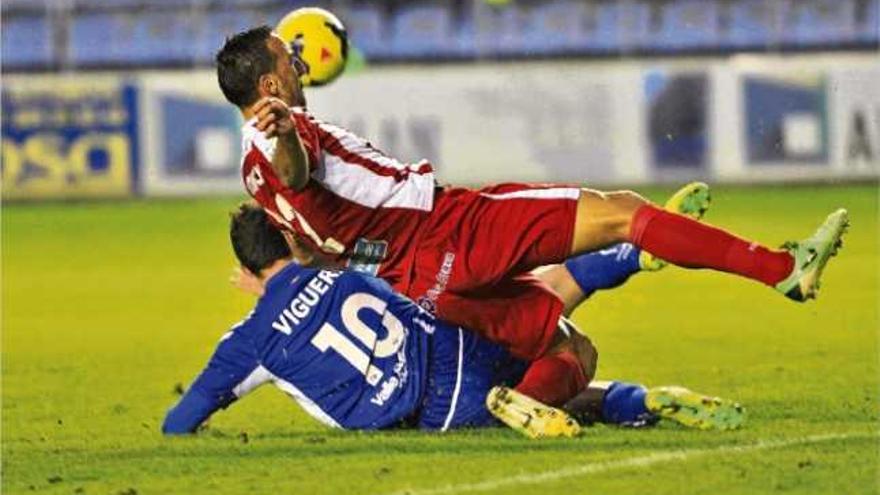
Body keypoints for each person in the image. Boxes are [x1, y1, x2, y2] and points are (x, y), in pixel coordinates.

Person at [215, 27, 848, 369]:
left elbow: (311, 238)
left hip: (411, 281)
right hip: (448, 229)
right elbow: (297, 172)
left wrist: (279, 281)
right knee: (624, 212)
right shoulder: (281, 141)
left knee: (568, 350)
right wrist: (289, 134)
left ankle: (527, 407)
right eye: (287, 59)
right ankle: (784, 269)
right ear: (269, 83)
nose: (300, 64)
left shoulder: (251, 175)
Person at [163, 204, 744, 438]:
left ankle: (626, 269)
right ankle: (628, 258)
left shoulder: (247, 343)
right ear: (293, 236)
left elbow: (179, 423)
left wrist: (264, 298)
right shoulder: (349, 261)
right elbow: (381, 266)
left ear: (245, 268)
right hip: (452, 357)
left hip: (430, 420)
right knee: (564, 344)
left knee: (533, 349)